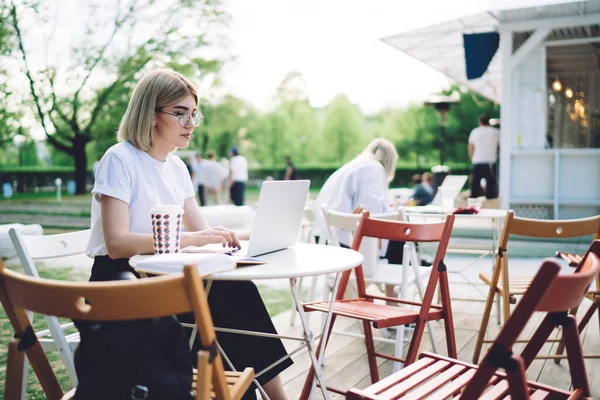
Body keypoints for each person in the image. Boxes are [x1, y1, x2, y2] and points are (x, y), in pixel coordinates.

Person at [86, 69, 291, 400]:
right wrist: (194, 240)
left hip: (163, 276)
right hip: (121, 279)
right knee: (227, 301)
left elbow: (201, 230)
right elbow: (116, 244)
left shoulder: (177, 167)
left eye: (194, 113)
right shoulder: (120, 159)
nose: (191, 123)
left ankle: (259, 394)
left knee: (234, 290)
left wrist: (254, 235)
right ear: (151, 115)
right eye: (180, 113)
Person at [468, 113, 499, 199]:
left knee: (475, 186)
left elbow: (471, 147)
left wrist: (472, 158)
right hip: (490, 162)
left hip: (477, 161)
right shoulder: (496, 132)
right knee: (491, 186)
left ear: (480, 122)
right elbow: (499, 145)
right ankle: (491, 205)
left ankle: (472, 204)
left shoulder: (475, 132)